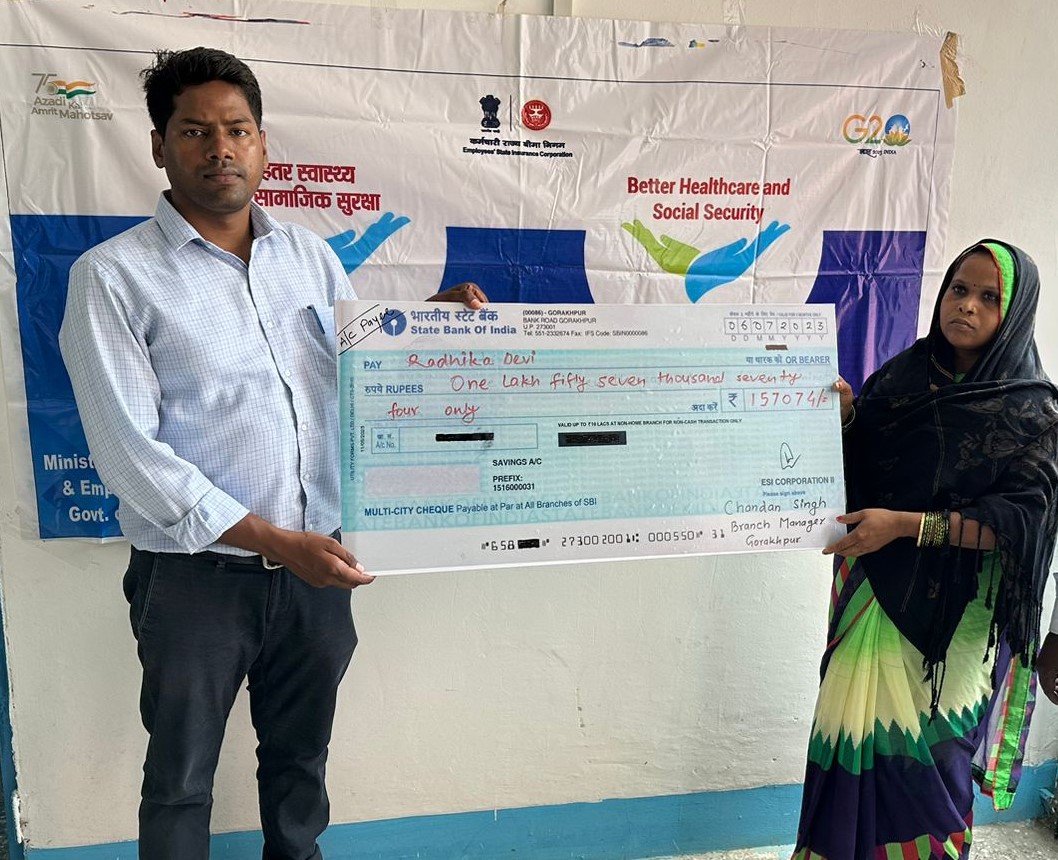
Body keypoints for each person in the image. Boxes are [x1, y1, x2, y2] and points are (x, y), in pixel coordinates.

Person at [58, 47, 486, 860]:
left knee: (300, 765)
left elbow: (343, 367)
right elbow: (130, 456)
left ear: (261, 144)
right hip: (195, 580)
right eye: (195, 131)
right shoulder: (112, 278)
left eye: (237, 129)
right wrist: (274, 541)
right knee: (180, 780)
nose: (220, 148)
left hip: (315, 571)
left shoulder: (309, 256)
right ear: (159, 146)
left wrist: (424, 324)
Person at [791, 240, 1058, 860]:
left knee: (935, 761)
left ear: (1016, 312)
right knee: (848, 727)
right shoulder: (900, 379)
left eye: (989, 297)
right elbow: (859, 475)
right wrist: (848, 419)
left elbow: (1020, 522)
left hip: (958, 621)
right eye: (959, 289)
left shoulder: (1034, 412)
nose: (967, 306)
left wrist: (906, 527)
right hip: (871, 591)